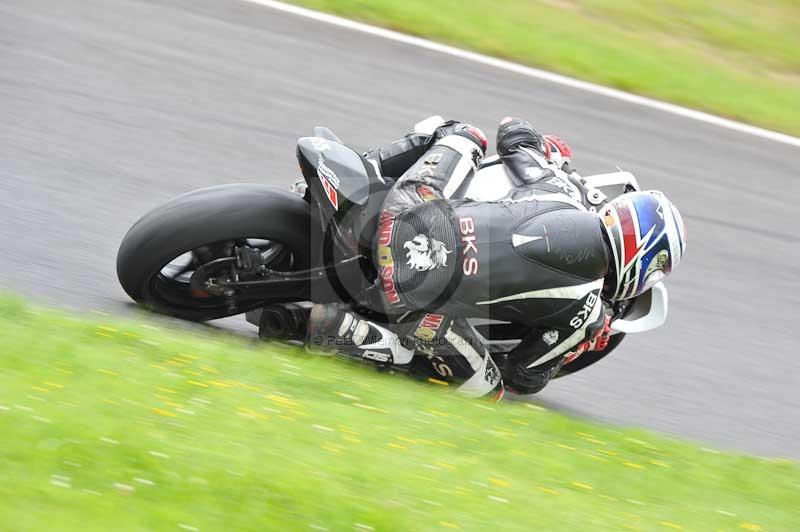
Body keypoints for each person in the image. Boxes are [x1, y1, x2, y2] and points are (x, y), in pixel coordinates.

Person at [264, 117, 687, 398]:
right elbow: (524, 373)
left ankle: (360, 177)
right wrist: (572, 348)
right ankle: (330, 330)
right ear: (643, 263)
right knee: (490, 389)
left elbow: (512, 133)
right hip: (417, 301)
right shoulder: (588, 313)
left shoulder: (562, 189)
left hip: (407, 212)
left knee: (463, 133)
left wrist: (547, 149)